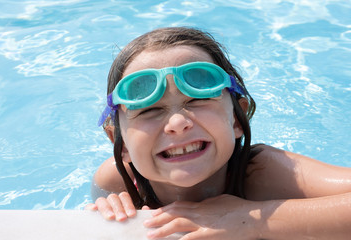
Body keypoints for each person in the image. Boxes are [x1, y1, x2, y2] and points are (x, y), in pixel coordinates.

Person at [86, 27, 351, 239]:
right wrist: (109, 210)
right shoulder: (115, 181)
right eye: (148, 111)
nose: (177, 122)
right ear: (120, 145)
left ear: (237, 119)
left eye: (196, 102)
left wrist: (253, 220)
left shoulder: (262, 173)